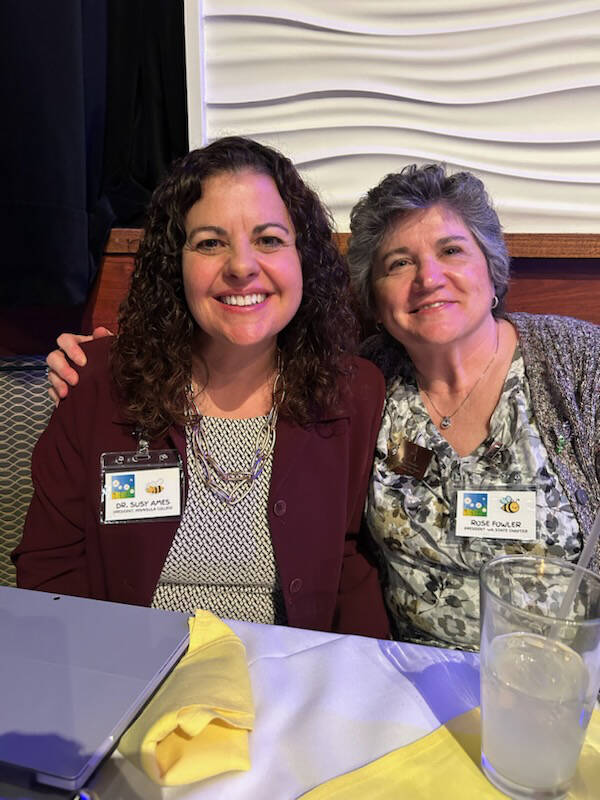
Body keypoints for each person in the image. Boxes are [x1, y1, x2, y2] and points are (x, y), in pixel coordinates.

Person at [13, 136, 390, 639]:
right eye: (211, 242)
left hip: (287, 681)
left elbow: (349, 563)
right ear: (177, 262)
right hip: (130, 677)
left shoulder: (353, 391)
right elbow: (50, 566)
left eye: (270, 239)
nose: (241, 266)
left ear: (304, 258)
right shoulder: (100, 380)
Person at [347, 163, 600, 648]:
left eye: (451, 251)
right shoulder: (364, 383)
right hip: (409, 681)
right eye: (398, 263)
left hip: (559, 687)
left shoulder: (580, 365)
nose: (428, 278)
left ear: (491, 270)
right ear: (375, 301)